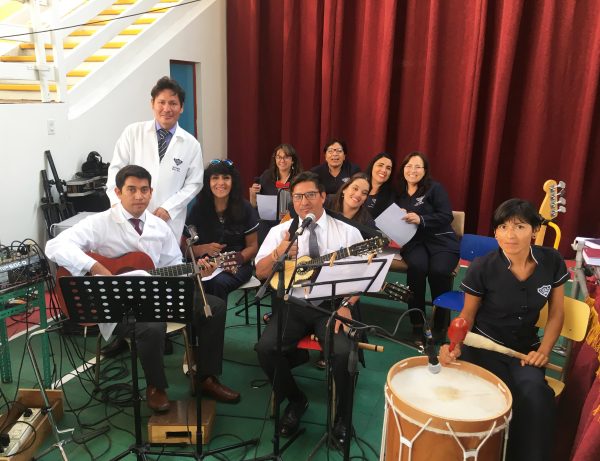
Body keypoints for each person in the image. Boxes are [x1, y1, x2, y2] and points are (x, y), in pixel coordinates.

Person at [46, 165, 240, 412]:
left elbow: (174, 266)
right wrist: (94, 266)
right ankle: (156, 387)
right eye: (132, 189)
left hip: (156, 295)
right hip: (117, 304)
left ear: (151, 192)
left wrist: (197, 271)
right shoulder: (99, 223)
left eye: (144, 190)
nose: (139, 196)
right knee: (152, 325)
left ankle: (206, 378)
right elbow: (54, 246)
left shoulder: (160, 227)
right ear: (118, 192)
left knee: (214, 306)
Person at [439, 198, 568, 461]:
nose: (510, 235)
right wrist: (454, 346)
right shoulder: (482, 267)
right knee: (484, 396)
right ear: (496, 232)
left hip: (526, 352)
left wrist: (544, 351)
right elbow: (467, 316)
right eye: (503, 227)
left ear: (534, 231)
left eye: (520, 226)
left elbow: (556, 313)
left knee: (535, 394)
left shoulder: (552, 261)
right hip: (483, 347)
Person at [254, 171, 363, 445]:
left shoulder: (347, 231)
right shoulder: (280, 232)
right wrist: (279, 252)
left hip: (333, 305)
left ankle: (343, 418)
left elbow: (363, 276)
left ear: (323, 196)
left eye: (310, 195)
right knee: (266, 349)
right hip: (293, 303)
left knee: (343, 353)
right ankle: (296, 400)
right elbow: (260, 272)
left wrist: (347, 305)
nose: (304, 202)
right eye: (298, 197)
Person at [105, 76, 203, 239]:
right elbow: (115, 172)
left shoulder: (191, 144)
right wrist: (117, 205)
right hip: (129, 216)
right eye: (161, 102)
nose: (167, 109)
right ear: (152, 104)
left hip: (168, 220)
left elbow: (195, 183)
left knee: (166, 254)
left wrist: (169, 208)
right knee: (131, 255)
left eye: (173, 103)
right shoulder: (132, 133)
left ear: (181, 107)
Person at [396, 151, 459, 343]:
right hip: (414, 242)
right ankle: (417, 324)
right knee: (417, 268)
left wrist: (421, 219)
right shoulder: (397, 192)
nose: (412, 170)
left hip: (440, 241)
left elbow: (447, 216)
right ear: (403, 169)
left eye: (418, 167)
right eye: (408, 166)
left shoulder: (435, 188)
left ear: (425, 171)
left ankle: (440, 324)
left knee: (439, 271)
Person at [186, 159, 259, 301]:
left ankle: (215, 316)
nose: (220, 183)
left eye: (226, 178)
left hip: (238, 265)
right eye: (215, 178)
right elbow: (185, 248)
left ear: (233, 182)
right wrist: (204, 249)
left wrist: (237, 259)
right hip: (204, 264)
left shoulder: (245, 208)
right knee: (191, 283)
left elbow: (253, 246)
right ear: (208, 182)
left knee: (218, 283)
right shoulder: (197, 209)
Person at [249, 144, 302, 243]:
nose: (282, 160)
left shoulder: (299, 178)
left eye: (286, 157)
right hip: (267, 222)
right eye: (279, 157)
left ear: (292, 160)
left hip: (290, 220)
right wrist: (253, 194)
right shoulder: (267, 176)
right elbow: (254, 205)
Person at [364, 152, 397, 218]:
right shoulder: (358, 183)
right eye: (380, 165)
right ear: (372, 166)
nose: (384, 170)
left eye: (388, 168)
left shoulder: (392, 196)